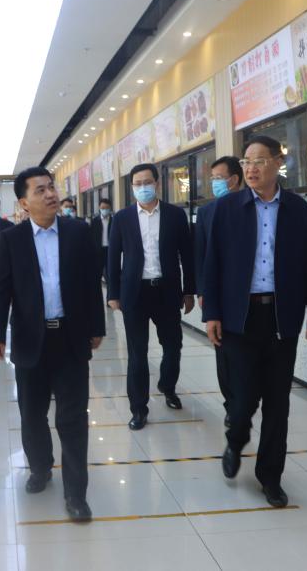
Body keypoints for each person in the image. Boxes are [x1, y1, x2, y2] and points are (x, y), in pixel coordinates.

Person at [204, 135, 307, 509]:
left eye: (258, 161)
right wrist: (211, 313)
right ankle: (235, 439)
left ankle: (270, 477)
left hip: (281, 316)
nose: (251, 168)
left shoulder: (298, 210)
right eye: (246, 161)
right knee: (242, 400)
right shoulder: (227, 208)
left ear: (277, 162)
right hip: (239, 318)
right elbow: (213, 263)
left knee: (277, 402)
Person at [0, 166, 104, 523]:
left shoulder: (77, 232)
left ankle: (76, 493)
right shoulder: (12, 239)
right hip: (30, 339)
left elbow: (91, 283)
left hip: (70, 337)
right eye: (40, 190)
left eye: (51, 187)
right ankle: (40, 467)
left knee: (73, 417)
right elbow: (1, 289)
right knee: (32, 413)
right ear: (24, 203)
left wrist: (96, 326)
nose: (50, 194)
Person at [107, 163, 195, 431]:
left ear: (157, 183)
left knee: (173, 346)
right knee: (137, 353)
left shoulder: (175, 215)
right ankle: (138, 408)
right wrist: (113, 293)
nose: (143, 187)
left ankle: (167, 386)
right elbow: (113, 258)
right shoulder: (122, 218)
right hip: (135, 293)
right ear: (132, 187)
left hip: (167, 291)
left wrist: (189, 290)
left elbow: (187, 255)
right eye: (137, 183)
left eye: (147, 182)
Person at [195, 156, 245, 428]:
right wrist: (202, 291)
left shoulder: (253, 206)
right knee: (223, 352)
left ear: (234, 180)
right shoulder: (207, 213)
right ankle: (232, 405)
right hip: (220, 295)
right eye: (212, 178)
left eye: (218, 178)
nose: (214, 183)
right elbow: (200, 256)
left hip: (249, 295)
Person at [89, 198, 113, 281]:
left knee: (110, 273)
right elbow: (91, 236)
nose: (104, 210)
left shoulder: (114, 220)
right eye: (103, 208)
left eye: (107, 208)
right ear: (99, 208)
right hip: (98, 250)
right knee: (97, 273)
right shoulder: (94, 221)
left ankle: (110, 288)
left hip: (110, 250)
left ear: (110, 208)